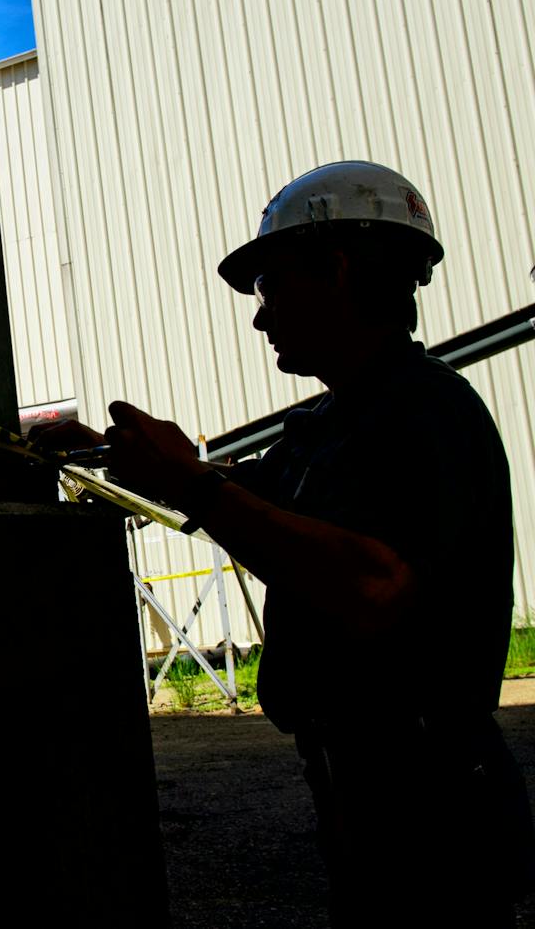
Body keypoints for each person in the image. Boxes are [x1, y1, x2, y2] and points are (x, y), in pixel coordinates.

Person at [39, 161, 535, 924]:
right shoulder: (332, 429)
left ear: (335, 270)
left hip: (431, 805)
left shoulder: (425, 413)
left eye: (270, 290)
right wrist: (108, 457)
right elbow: (250, 505)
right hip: (364, 792)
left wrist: (194, 484)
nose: (261, 320)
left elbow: (373, 587)